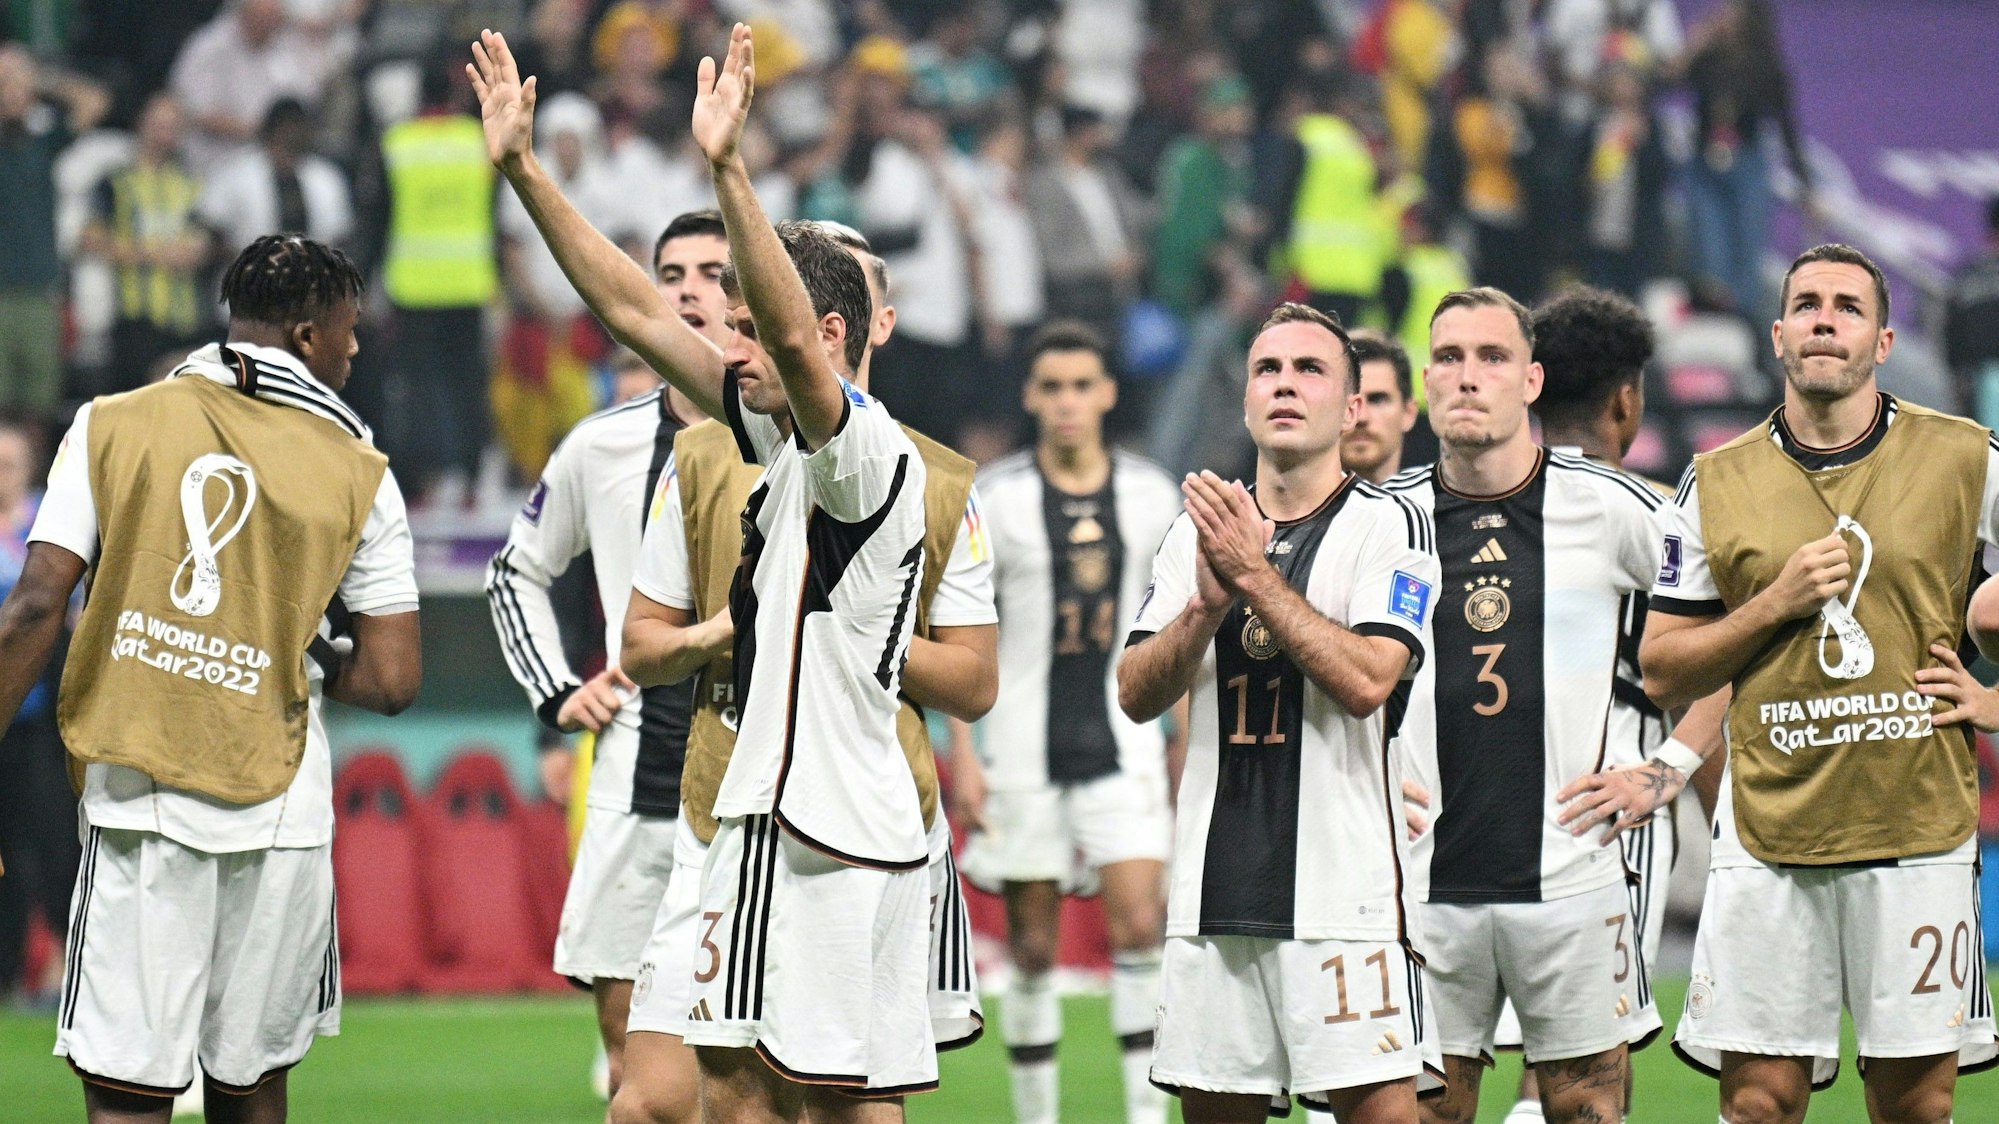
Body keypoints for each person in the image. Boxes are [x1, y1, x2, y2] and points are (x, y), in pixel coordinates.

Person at [472, 24, 985, 1119]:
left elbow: (794, 355)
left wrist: (729, 168)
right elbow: (631, 311)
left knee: (838, 1104)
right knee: (718, 1098)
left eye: (748, 327)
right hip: (750, 819)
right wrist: (524, 174)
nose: (727, 346)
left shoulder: (865, 457)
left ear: (831, 332)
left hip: (844, 827)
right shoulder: (770, 443)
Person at [1563, 244, 1999, 1124]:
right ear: (1777, 336)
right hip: (1768, 834)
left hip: (1914, 831)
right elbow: (1662, 667)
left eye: (1845, 306)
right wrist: (1771, 607)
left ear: (1881, 339)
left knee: (1915, 1109)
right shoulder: (1716, 481)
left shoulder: (1965, 457)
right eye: (1805, 304)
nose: (1823, 319)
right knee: (1759, 1105)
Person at [0, 233, 419, 1121]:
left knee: (127, 1092)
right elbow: (390, 677)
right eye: (347, 331)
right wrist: (286, 648)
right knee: (253, 1087)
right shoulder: (361, 471)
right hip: (282, 814)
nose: (354, 349)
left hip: (142, 797)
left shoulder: (111, 422)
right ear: (308, 334)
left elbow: (37, 605)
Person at [1120, 302, 1443, 1122]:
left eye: (1310, 371)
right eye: (1267, 370)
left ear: (1351, 406)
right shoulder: (1190, 536)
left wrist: (1256, 578)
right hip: (1212, 891)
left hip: (1344, 895)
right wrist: (1200, 609)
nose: (1285, 386)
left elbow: (1370, 680)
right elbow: (1134, 692)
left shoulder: (1390, 527)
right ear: (1245, 399)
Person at [1384, 286, 1665, 1124]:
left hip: (1571, 874)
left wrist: (1668, 768)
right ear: (1427, 381)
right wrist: (1355, 772)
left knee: (1585, 1109)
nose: (1468, 376)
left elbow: (1725, 624)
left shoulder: (1616, 506)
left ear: (1531, 382)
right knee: (1425, 1112)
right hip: (1418, 881)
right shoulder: (1381, 518)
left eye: (1492, 358)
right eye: (1449, 358)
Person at [484, 208, 729, 1103]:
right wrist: (555, 694)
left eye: (715, 273)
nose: (691, 290)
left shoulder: (792, 437)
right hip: (636, 781)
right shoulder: (602, 444)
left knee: (758, 1074)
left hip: (757, 789)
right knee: (630, 1065)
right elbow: (515, 572)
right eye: (672, 274)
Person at [950, 321, 1182, 1124]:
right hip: (1018, 743)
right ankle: (1037, 1117)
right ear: (1029, 397)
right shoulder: (995, 499)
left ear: (1108, 394)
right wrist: (964, 757)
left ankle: (1144, 1116)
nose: (1068, 401)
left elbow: (1176, 627)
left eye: (1083, 385)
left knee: (1141, 926)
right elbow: (959, 631)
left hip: (1125, 739)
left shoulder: (1153, 494)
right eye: (1051, 387)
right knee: (1035, 947)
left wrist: (1181, 738)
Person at [0, 421, 75, 1003]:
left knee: (51, 845)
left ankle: (63, 968)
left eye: (10, 464)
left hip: (40, 722)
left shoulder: (49, 523)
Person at [0, 43, 107, 420]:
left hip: (40, 292)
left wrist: (41, 80)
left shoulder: (42, 144)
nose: (8, 90)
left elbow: (94, 102)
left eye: (13, 83)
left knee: (38, 407)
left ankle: (28, 478)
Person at [81, 92, 212, 397]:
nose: (165, 134)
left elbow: (209, 240)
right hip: (134, 318)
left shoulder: (192, 183)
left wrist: (201, 252)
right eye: (158, 124)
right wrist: (152, 253)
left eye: (172, 126)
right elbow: (89, 239)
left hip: (185, 319)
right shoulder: (117, 182)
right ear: (141, 125)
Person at [1341, 331, 1420, 484]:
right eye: (1348, 402)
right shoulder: (1288, 507)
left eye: (1377, 400)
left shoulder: (1437, 507)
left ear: (1409, 413)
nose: (1361, 417)